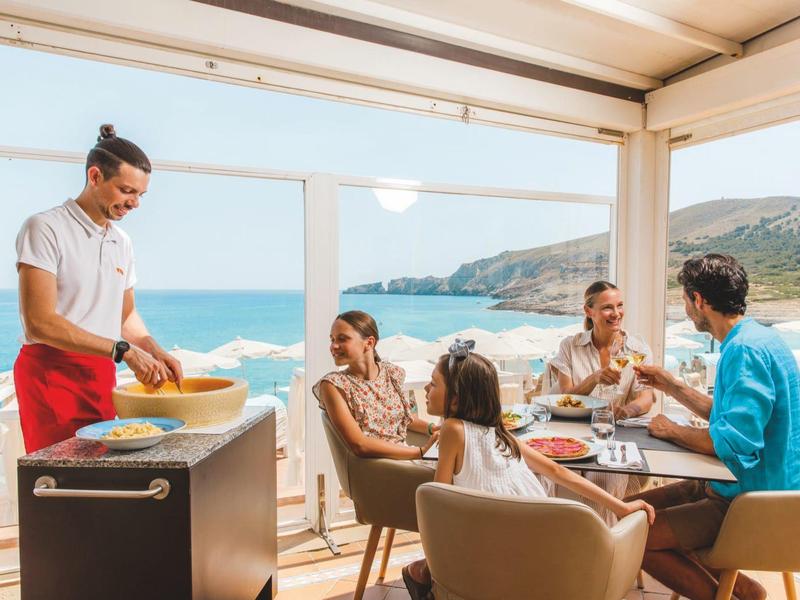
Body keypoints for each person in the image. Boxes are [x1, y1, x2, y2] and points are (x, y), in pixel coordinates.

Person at [401, 340, 655, 600]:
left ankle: (426, 577)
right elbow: (558, 472)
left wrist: (432, 565)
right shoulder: (503, 435)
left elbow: (438, 505)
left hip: (491, 556)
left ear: (455, 400)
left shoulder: (452, 430)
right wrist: (620, 507)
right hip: (540, 550)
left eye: (433, 383)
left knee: (432, 555)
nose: (426, 388)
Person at [632, 254, 800, 600]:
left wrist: (670, 430)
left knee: (634, 535)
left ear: (699, 300)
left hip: (752, 503)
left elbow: (733, 443)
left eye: (685, 300)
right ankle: (747, 590)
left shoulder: (743, 351)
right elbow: (731, 419)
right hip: (751, 489)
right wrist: (672, 386)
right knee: (629, 509)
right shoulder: (760, 338)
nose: (685, 310)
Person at [14, 124, 183, 453]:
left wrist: (153, 349)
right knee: (65, 475)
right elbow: (39, 323)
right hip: (52, 375)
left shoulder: (122, 241)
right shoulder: (45, 228)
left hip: (101, 375)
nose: (135, 203)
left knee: (104, 472)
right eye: (126, 191)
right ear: (95, 176)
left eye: (140, 195)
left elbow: (125, 315)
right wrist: (123, 351)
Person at [548, 280, 655, 522]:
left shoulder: (637, 349)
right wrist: (594, 378)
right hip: (571, 435)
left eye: (620, 305)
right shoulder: (570, 346)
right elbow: (565, 397)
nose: (616, 313)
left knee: (604, 480)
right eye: (607, 307)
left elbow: (646, 397)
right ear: (589, 311)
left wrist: (627, 410)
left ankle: (601, 539)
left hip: (612, 437)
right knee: (549, 477)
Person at [314, 310, 439, 459]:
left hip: (404, 458)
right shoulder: (334, 385)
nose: (333, 346)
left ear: (369, 343)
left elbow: (403, 416)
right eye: (332, 339)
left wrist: (432, 428)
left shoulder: (393, 373)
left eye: (342, 339)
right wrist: (421, 452)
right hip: (376, 466)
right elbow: (359, 445)